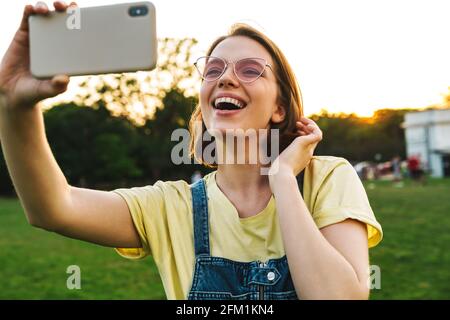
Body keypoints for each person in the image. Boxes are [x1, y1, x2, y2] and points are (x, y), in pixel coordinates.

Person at [0, 2, 383, 300]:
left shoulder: (327, 178)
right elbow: (52, 207)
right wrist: (15, 107)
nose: (226, 77)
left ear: (280, 108)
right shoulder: (172, 206)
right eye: (213, 69)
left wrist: (282, 178)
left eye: (250, 70)